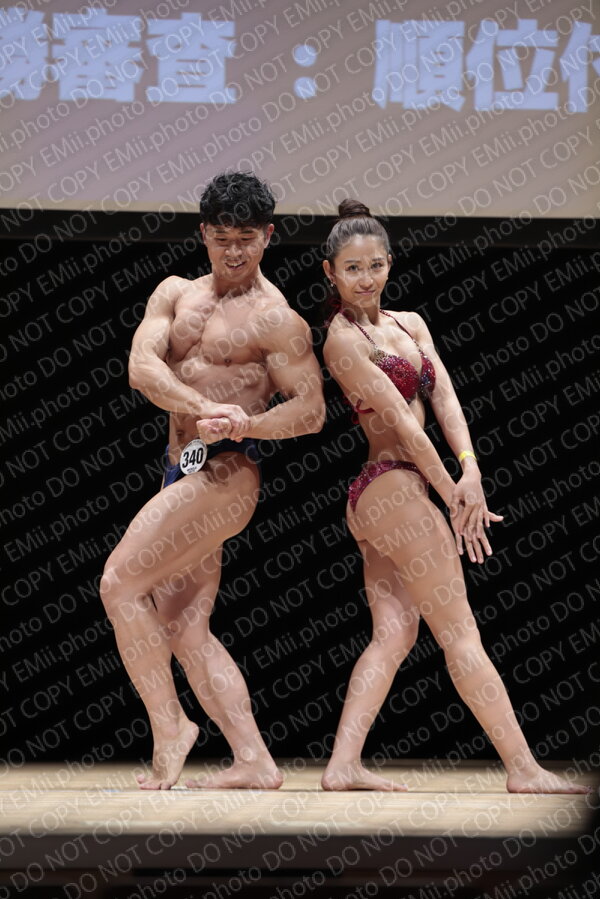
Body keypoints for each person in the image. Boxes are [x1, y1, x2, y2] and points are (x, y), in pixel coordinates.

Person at [320, 199, 588, 793]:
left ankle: (342, 765)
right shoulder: (342, 340)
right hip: (392, 486)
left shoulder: (410, 324)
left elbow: (443, 399)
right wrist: (452, 497)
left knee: (394, 635)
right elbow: (402, 422)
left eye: (375, 265)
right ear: (330, 273)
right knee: (460, 631)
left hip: (396, 491)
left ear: (390, 263)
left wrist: (471, 470)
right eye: (352, 269)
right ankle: (523, 769)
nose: (365, 279)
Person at [100, 172, 325, 790]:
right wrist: (201, 407)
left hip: (227, 473)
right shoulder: (174, 293)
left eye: (246, 239)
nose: (233, 251)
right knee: (184, 628)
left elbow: (311, 411)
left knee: (119, 584)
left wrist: (249, 422)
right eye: (222, 238)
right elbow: (141, 367)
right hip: (180, 467)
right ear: (203, 233)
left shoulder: (276, 318)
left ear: (268, 236)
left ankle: (171, 725)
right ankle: (255, 760)